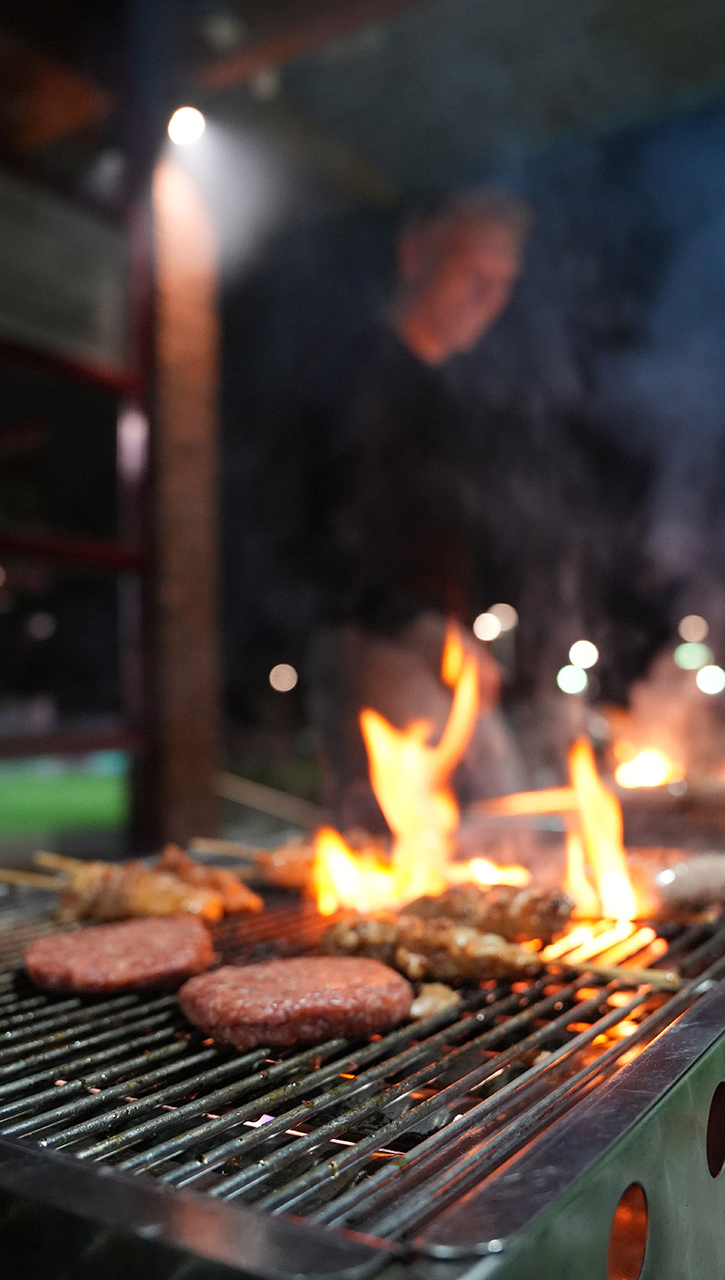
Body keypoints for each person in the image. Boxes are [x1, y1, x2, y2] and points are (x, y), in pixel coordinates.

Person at [308, 189, 534, 829]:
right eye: (474, 272)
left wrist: (462, 635)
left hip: (447, 649)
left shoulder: (445, 392)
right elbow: (327, 537)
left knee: (509, 828)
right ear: (414, 257)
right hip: (380, 647)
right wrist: (421, 628)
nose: (489, 297)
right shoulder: (359, 378)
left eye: (504, 281)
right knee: (403, 845)